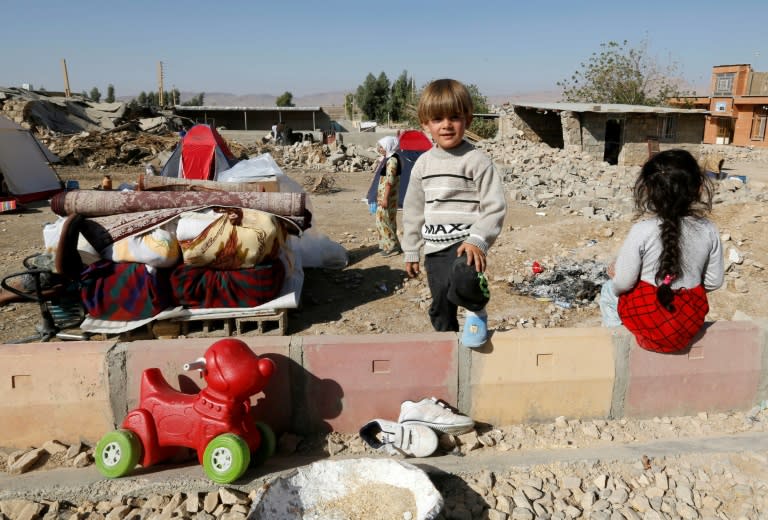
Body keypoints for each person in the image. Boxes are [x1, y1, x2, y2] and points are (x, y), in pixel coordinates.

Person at [402, 79, 507, 348]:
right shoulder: (422, 165)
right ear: (425, 124)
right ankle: (445, 342)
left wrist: (478, 240)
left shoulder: (477, 161)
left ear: (467, 120)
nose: (446, 125)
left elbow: (494, 205)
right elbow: (413, 210)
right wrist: (412, 250)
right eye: (437, 118)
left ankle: (476, 313)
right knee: (440, 302)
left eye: (455, 117)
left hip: (465, 244)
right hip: (434, 247)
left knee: (465, 279)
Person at [599, 149, 724, 353]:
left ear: (648, 190)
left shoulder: (642, 230)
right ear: (699, 189)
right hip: (687, 321)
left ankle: (619, 344)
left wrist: (620, 276)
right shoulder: (709, 230)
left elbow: (623, 283)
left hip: (648, 318)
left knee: (607, 290)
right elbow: (714, 281)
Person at [374, 135, 402, 257]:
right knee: (389, 221)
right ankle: (393, 245)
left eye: (382, 147)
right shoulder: (392, 158)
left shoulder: (392, 161)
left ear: (388, 147)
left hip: (388, 198)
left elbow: (389, 182)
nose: (380, 149)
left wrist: (384, 198)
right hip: (388, 197)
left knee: (382, 221)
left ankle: (391, 247)